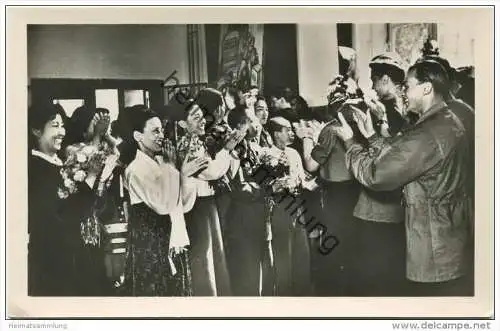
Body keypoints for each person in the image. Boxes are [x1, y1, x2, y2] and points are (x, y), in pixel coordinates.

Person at [333, 60, 474, 296]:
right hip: (450, 236)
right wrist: (371, 135)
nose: (404, 93)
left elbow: (375, 175)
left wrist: (350, 143)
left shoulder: (427, 133)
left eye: (408, 86)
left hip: (433, 245)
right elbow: (404, 157)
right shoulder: (447, 119)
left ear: (426, 88)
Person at [122, 109, 208, 296]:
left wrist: (186, 176)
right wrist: (176, 170)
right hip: (151, 245)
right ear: (138, 135)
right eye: (155, 131)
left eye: (162, 130)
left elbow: (184, 205)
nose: (161, 136)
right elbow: (163, 205)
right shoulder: (135, 169)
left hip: (173, 241)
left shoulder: (164, 161)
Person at [350, 52, 408, 296]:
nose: (372, 86)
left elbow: (386, 162)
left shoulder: (391, 113)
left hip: (382, 206)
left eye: (374, 80)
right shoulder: (398, 110)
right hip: (394, 208)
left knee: (377, 273)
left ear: (385, 79)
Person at [28, 103, 99, 295]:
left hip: (72, 252)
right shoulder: (36, 169)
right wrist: (91, 177)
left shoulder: (58, 164)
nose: (61, 131)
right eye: (54, 125)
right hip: (53, 257)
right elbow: (65, 215)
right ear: (36, 130)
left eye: (62, 125)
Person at [176, 101, 246, 296]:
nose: (202, 121)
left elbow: (225, 173)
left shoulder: (199, 142)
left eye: (202, 116)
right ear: (182, 124)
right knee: (204, 261)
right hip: (197, 207)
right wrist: (227, 149)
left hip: (208, 205)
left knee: (215, 258)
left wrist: (230, 151)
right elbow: (212, 172)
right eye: (195, 118)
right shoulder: (186, 146)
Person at [63, 106, 119, 296]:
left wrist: (105, 134)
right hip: (79, 216)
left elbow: (117, 155)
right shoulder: (72, 149)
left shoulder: (102, 145)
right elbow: (91, 159)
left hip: (97, 215)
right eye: (95, 124)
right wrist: (96, 136)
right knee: (85, 269)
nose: (100, 129)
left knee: (100, 267)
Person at [265, 116, 314, 296]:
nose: (291, 133)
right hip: (280, 207)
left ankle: (303, 296)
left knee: (302, 254)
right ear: (276, 133)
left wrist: (310, 183)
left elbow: (302, 177)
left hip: (298, 206)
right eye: (287, 130)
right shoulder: (267, 154)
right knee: (283, 255)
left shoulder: (293, 153)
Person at [224, 107, 268, 296]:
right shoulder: (232, 151)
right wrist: (267, 188)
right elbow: (238, 188)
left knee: (257, 277)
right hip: (241, 222)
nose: (257, 124)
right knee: (246, 279)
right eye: (252, 120)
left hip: (256, 219)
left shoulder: (251, 149)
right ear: (241, 126)